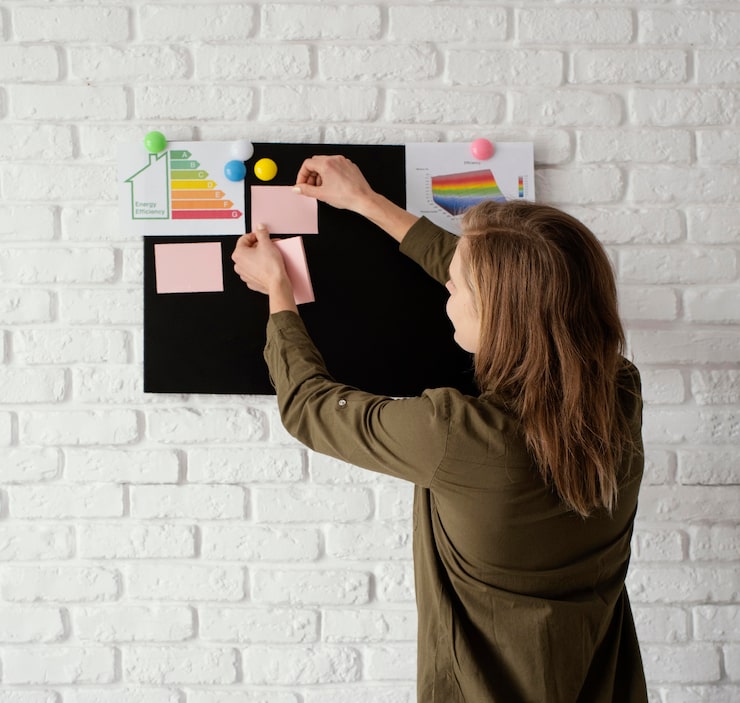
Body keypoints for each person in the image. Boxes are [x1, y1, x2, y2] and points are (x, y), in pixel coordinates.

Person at [231, 155, 647, 703]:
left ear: (500, 314)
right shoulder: (619, 390)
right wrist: (365, 202)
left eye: (457, 287)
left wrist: (276, 290)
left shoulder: (458, 435)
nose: (446, 287)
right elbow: (516, 281)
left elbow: (310, 407)